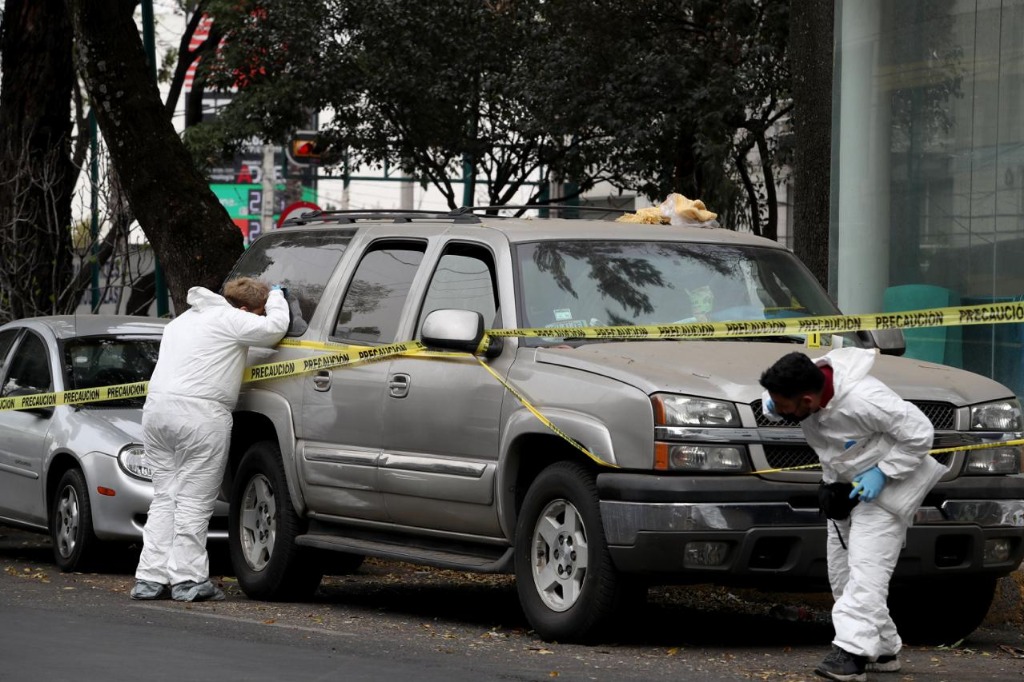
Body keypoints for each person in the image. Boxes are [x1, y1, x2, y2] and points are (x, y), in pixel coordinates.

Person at [759, 348, 945, 682]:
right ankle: (885, 649)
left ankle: (852, 655)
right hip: (844, 488)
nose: (784, 414)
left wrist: (884, 472)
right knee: (843, 576)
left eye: (787, 409)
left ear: (807, 400)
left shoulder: (865, 400)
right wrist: (771, 407)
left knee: (867, 572)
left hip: (888, 489)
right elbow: (776, 400)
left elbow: (920, 433)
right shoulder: (808, 380)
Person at [131, 277, 289, 602]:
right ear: (245, 309)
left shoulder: (180, 322)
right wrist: (276, 297)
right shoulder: (231, 319)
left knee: (164, 498)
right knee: (193, 501)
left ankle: (150, 578)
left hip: (157, 412)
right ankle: (188, 581)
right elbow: (276, 327)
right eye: (255, 313)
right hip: (200, 416)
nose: (256, 320)